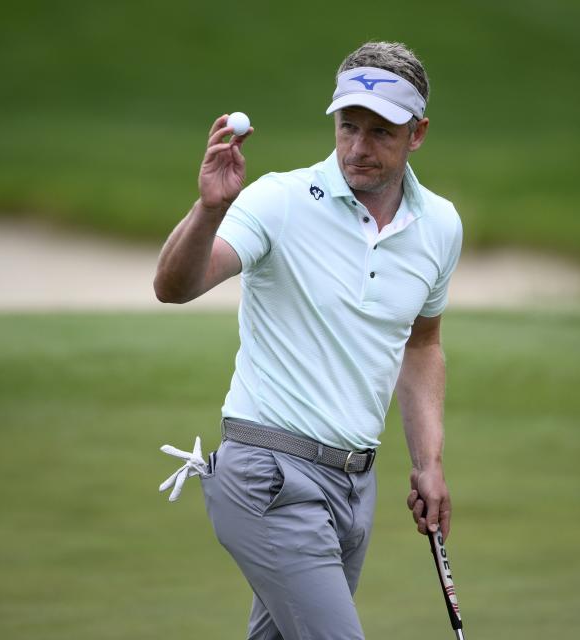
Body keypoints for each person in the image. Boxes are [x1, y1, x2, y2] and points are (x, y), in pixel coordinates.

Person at [154, 41, 463, 640]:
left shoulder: (440, 226)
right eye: (348, 127)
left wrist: (429, 463)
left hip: (354, 489)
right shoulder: (281, 199)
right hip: (267, 475)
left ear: (418, 133)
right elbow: (175, 286)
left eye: (380, 132)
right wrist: (208, 210)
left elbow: (421, 345)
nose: (358, 148)